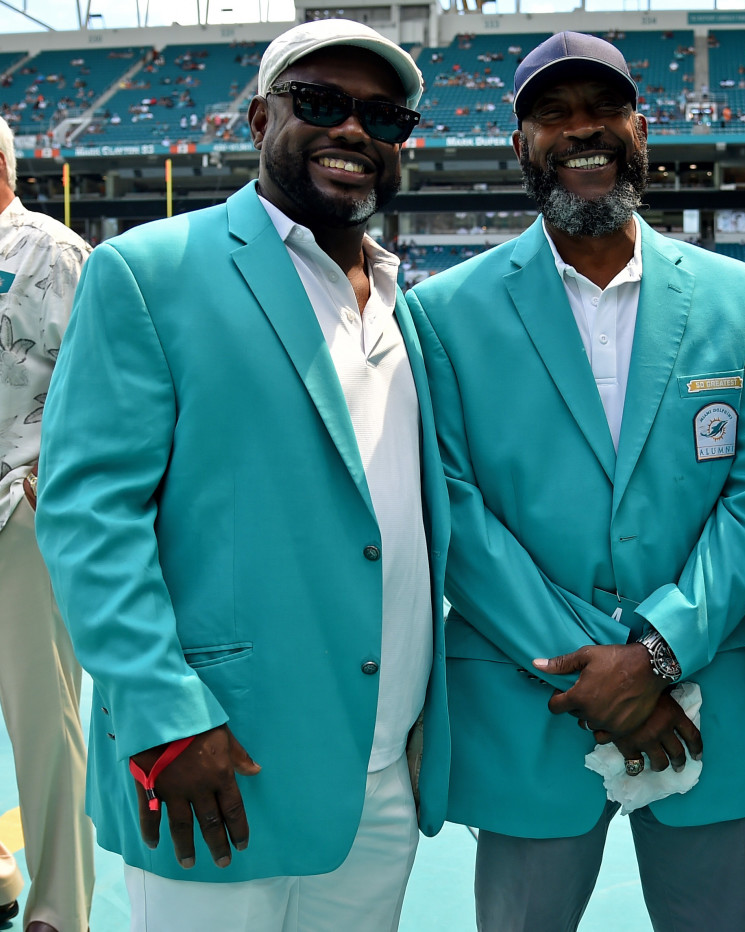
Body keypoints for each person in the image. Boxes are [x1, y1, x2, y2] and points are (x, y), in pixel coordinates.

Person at [35, 19, 449, 932]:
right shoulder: (149, 272)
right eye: (321, 103)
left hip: (377, 768)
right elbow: (88, 516)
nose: (353, 131)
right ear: (259, 118)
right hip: (218, 758)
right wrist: (166, 719)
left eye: (382, 116)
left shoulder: (398, 301)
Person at [407, 32, 745, 932]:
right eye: (553, 114)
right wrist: (597, 676)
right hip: (532, 696)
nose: (583, 132)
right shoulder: (443, 312)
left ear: (640, 128)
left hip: (703, 698)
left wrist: (656, 655)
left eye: (603, 110)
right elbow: (454, 508)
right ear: (519, 144)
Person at [0, 114, 93, 932]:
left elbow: (94, 380)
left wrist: (46, 479)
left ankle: (59, 911)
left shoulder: (51, 252)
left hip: (15, 511)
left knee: (42, 722)